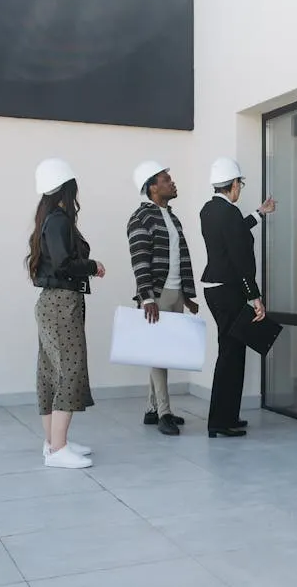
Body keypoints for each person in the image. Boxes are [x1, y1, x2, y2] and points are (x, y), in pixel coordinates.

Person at [26, 158, 106, 469]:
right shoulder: (59, 219)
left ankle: (52, 444)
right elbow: (63, 264)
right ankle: (58, 450)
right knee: (69, 371)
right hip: (62, 303)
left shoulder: (47, 219)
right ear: (67, 187)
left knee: (49, 373)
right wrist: (92, 266)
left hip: (50, 302)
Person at [199, 157, 275, 438]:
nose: (239, 189)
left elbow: (233, 234)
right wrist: (254, 296)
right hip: (228, 290)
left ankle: (226, 416)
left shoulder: (209, 210)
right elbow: (240, 256)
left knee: (230, 352)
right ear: (233, 184)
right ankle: (220, 422)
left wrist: (259, 213)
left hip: (214, 289)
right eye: (239, 184)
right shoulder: (229, 214)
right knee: (231, 354)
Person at [126, 161, 199, 436]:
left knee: (162, 352)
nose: (172, 183)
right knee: (159, 352)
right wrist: (147, 298)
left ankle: (151, 408)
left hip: (176, 293)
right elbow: (139, 260)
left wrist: (188, 296)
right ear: (152, 187)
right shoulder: (140, 218)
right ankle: (164, 413)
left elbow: (182, 258)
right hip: (156, 295)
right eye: (166, 179)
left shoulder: (172, 217)